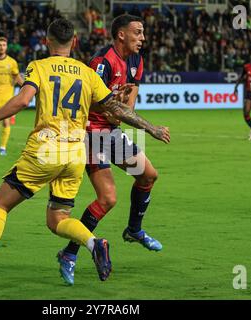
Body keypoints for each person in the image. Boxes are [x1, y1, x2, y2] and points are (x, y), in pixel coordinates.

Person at [0, 18, 170, 286]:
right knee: (60, 218)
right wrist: (150, 129)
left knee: (0, 205)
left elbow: (22, 100)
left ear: (46, 41)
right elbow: (115, 108)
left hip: (48, 150)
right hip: (78, 152)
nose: (143, 37)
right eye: (138, 32)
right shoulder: (89, 70)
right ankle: (92, 244)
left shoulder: (38, 67)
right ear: (75, 42)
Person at [57, 14, 164, 286]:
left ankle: (134, 230)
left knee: (148, 175)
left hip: (112, 132)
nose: (142, 38)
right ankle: (69, 254)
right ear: (121, 35)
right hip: (91, 134)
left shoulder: (136, 61)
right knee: (107, 199)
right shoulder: (101, 62)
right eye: (138, 33)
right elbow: (90, 102)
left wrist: (120, 110)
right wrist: (144, 125)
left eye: (143, 33)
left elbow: (129, 103)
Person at [234, 51, 251, 141]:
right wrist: (236, 87)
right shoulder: (247, 67)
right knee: (246, 113)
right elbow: (241, 77)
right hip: (249, 93)